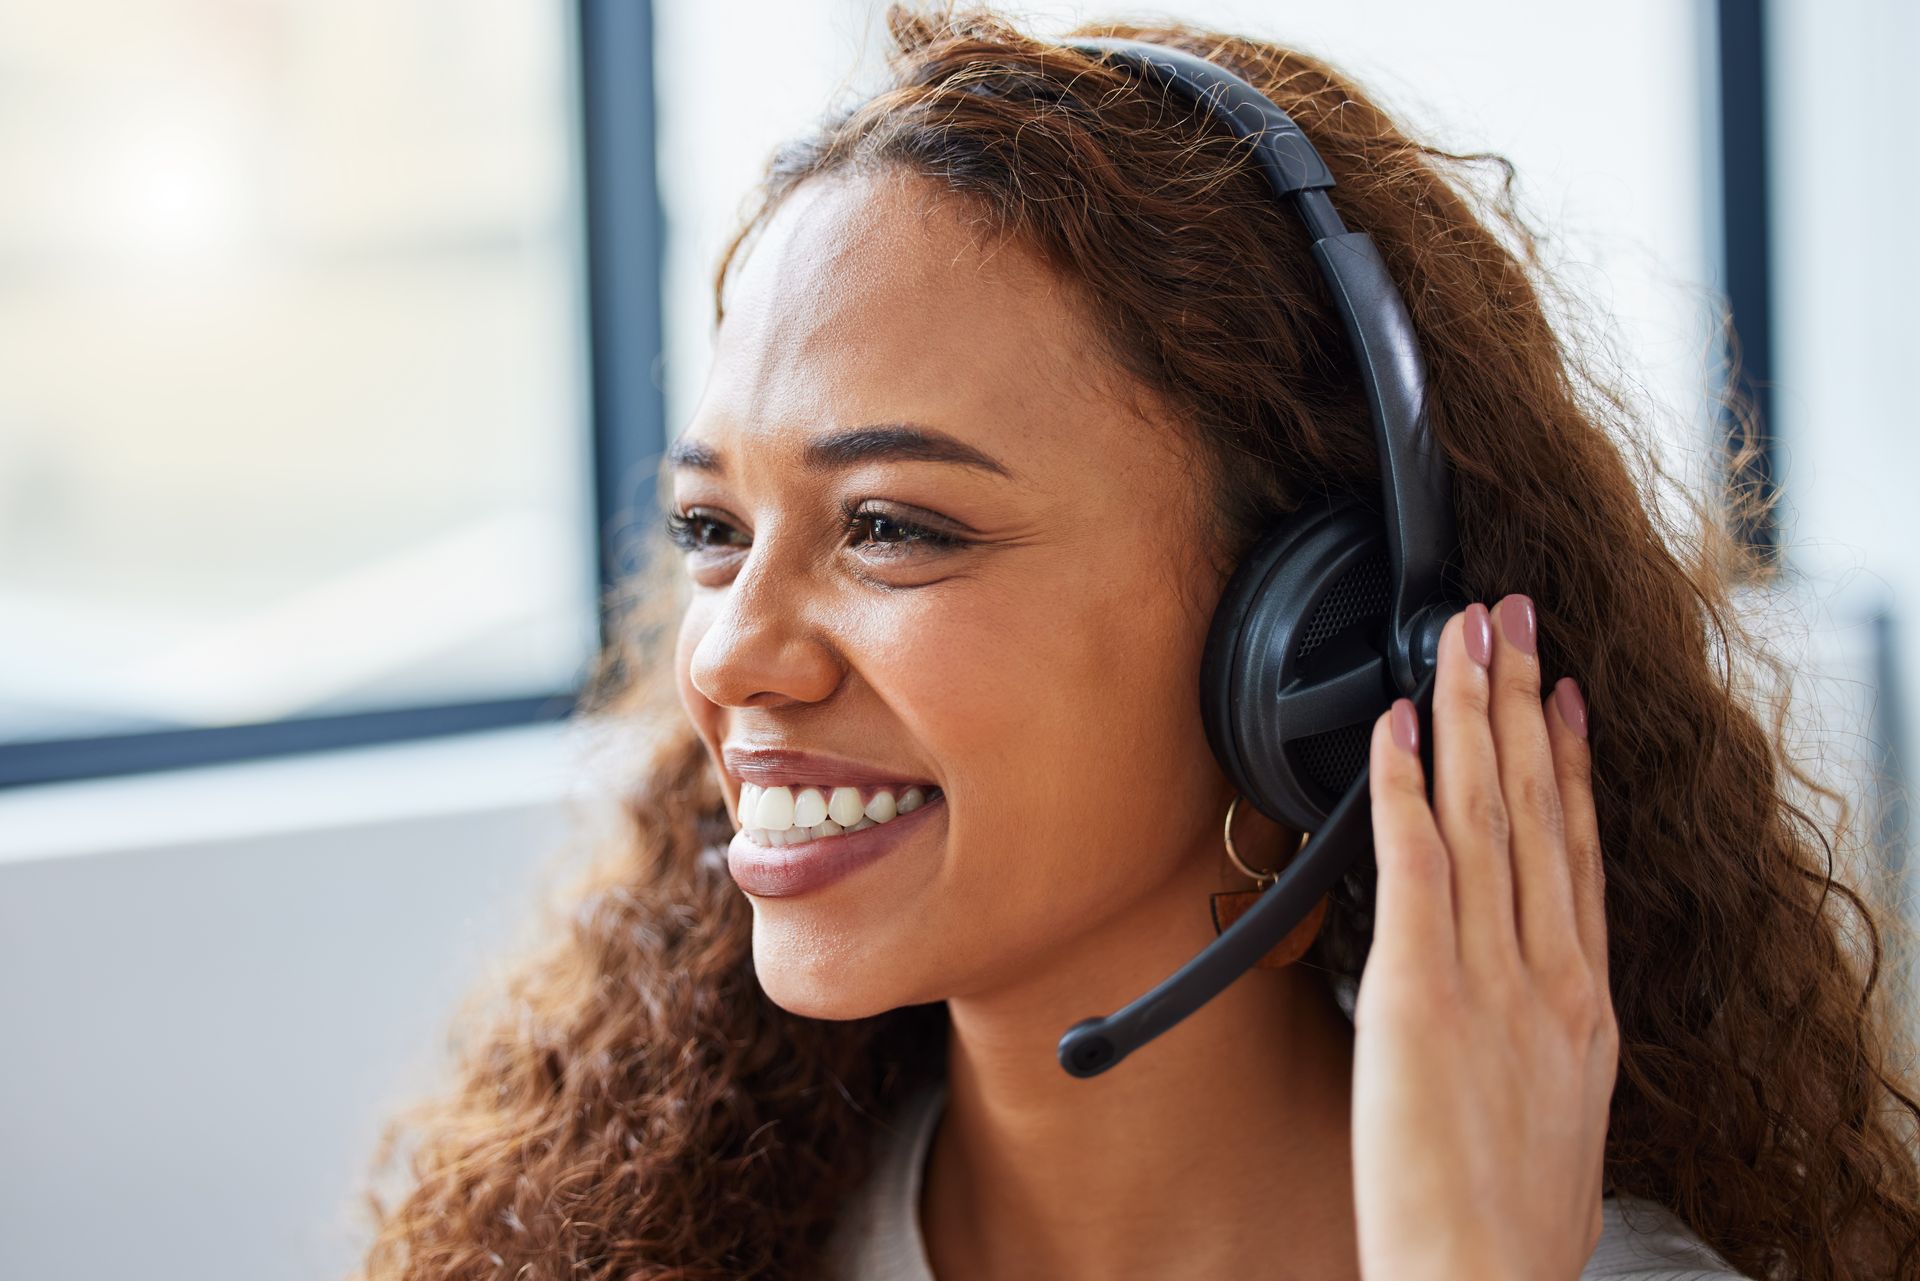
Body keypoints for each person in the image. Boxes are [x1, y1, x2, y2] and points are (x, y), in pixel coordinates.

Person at [348, 7, 1920, 1279]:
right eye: (713, 531)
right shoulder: (645, 1245)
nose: (734, 656)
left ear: (1308, 645)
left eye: (893, 525)